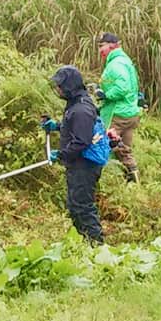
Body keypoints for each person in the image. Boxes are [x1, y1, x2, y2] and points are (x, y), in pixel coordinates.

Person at [41, 65, 105, 244]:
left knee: (83, 207)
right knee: (74, 205)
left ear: (70, 86)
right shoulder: (76, 104)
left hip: (84, 166)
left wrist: (61, 155)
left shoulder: (81, 109)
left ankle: (98, 247)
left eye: (60, 86)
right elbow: (75, 126)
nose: (58, 90)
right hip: (77, 165)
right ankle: (85, 243)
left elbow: (81, 141)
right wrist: (57, 126)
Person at [95, 32, 142, 183]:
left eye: (102, 46)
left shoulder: (116, 64)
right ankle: (133, 182)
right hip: (130, 113)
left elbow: (123, 87)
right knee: (124, 151)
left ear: (113, 45)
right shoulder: (124, 60)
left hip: (118, 114)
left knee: (101, 145)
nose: (100, 50)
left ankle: (101, 182)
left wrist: (105, 94)